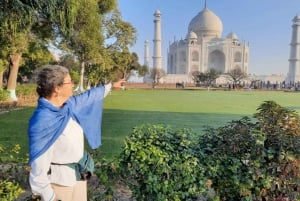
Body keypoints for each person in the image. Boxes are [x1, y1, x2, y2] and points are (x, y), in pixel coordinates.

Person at [28, 65, 125, 201]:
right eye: (69, 82)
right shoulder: (43, 121)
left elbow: (88, 97)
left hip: (77, 178)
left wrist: (110, 86)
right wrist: (50, 197)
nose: (73, 85)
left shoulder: (67, 106)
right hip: (59, 186)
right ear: (57, 88)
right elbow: (38, 168)